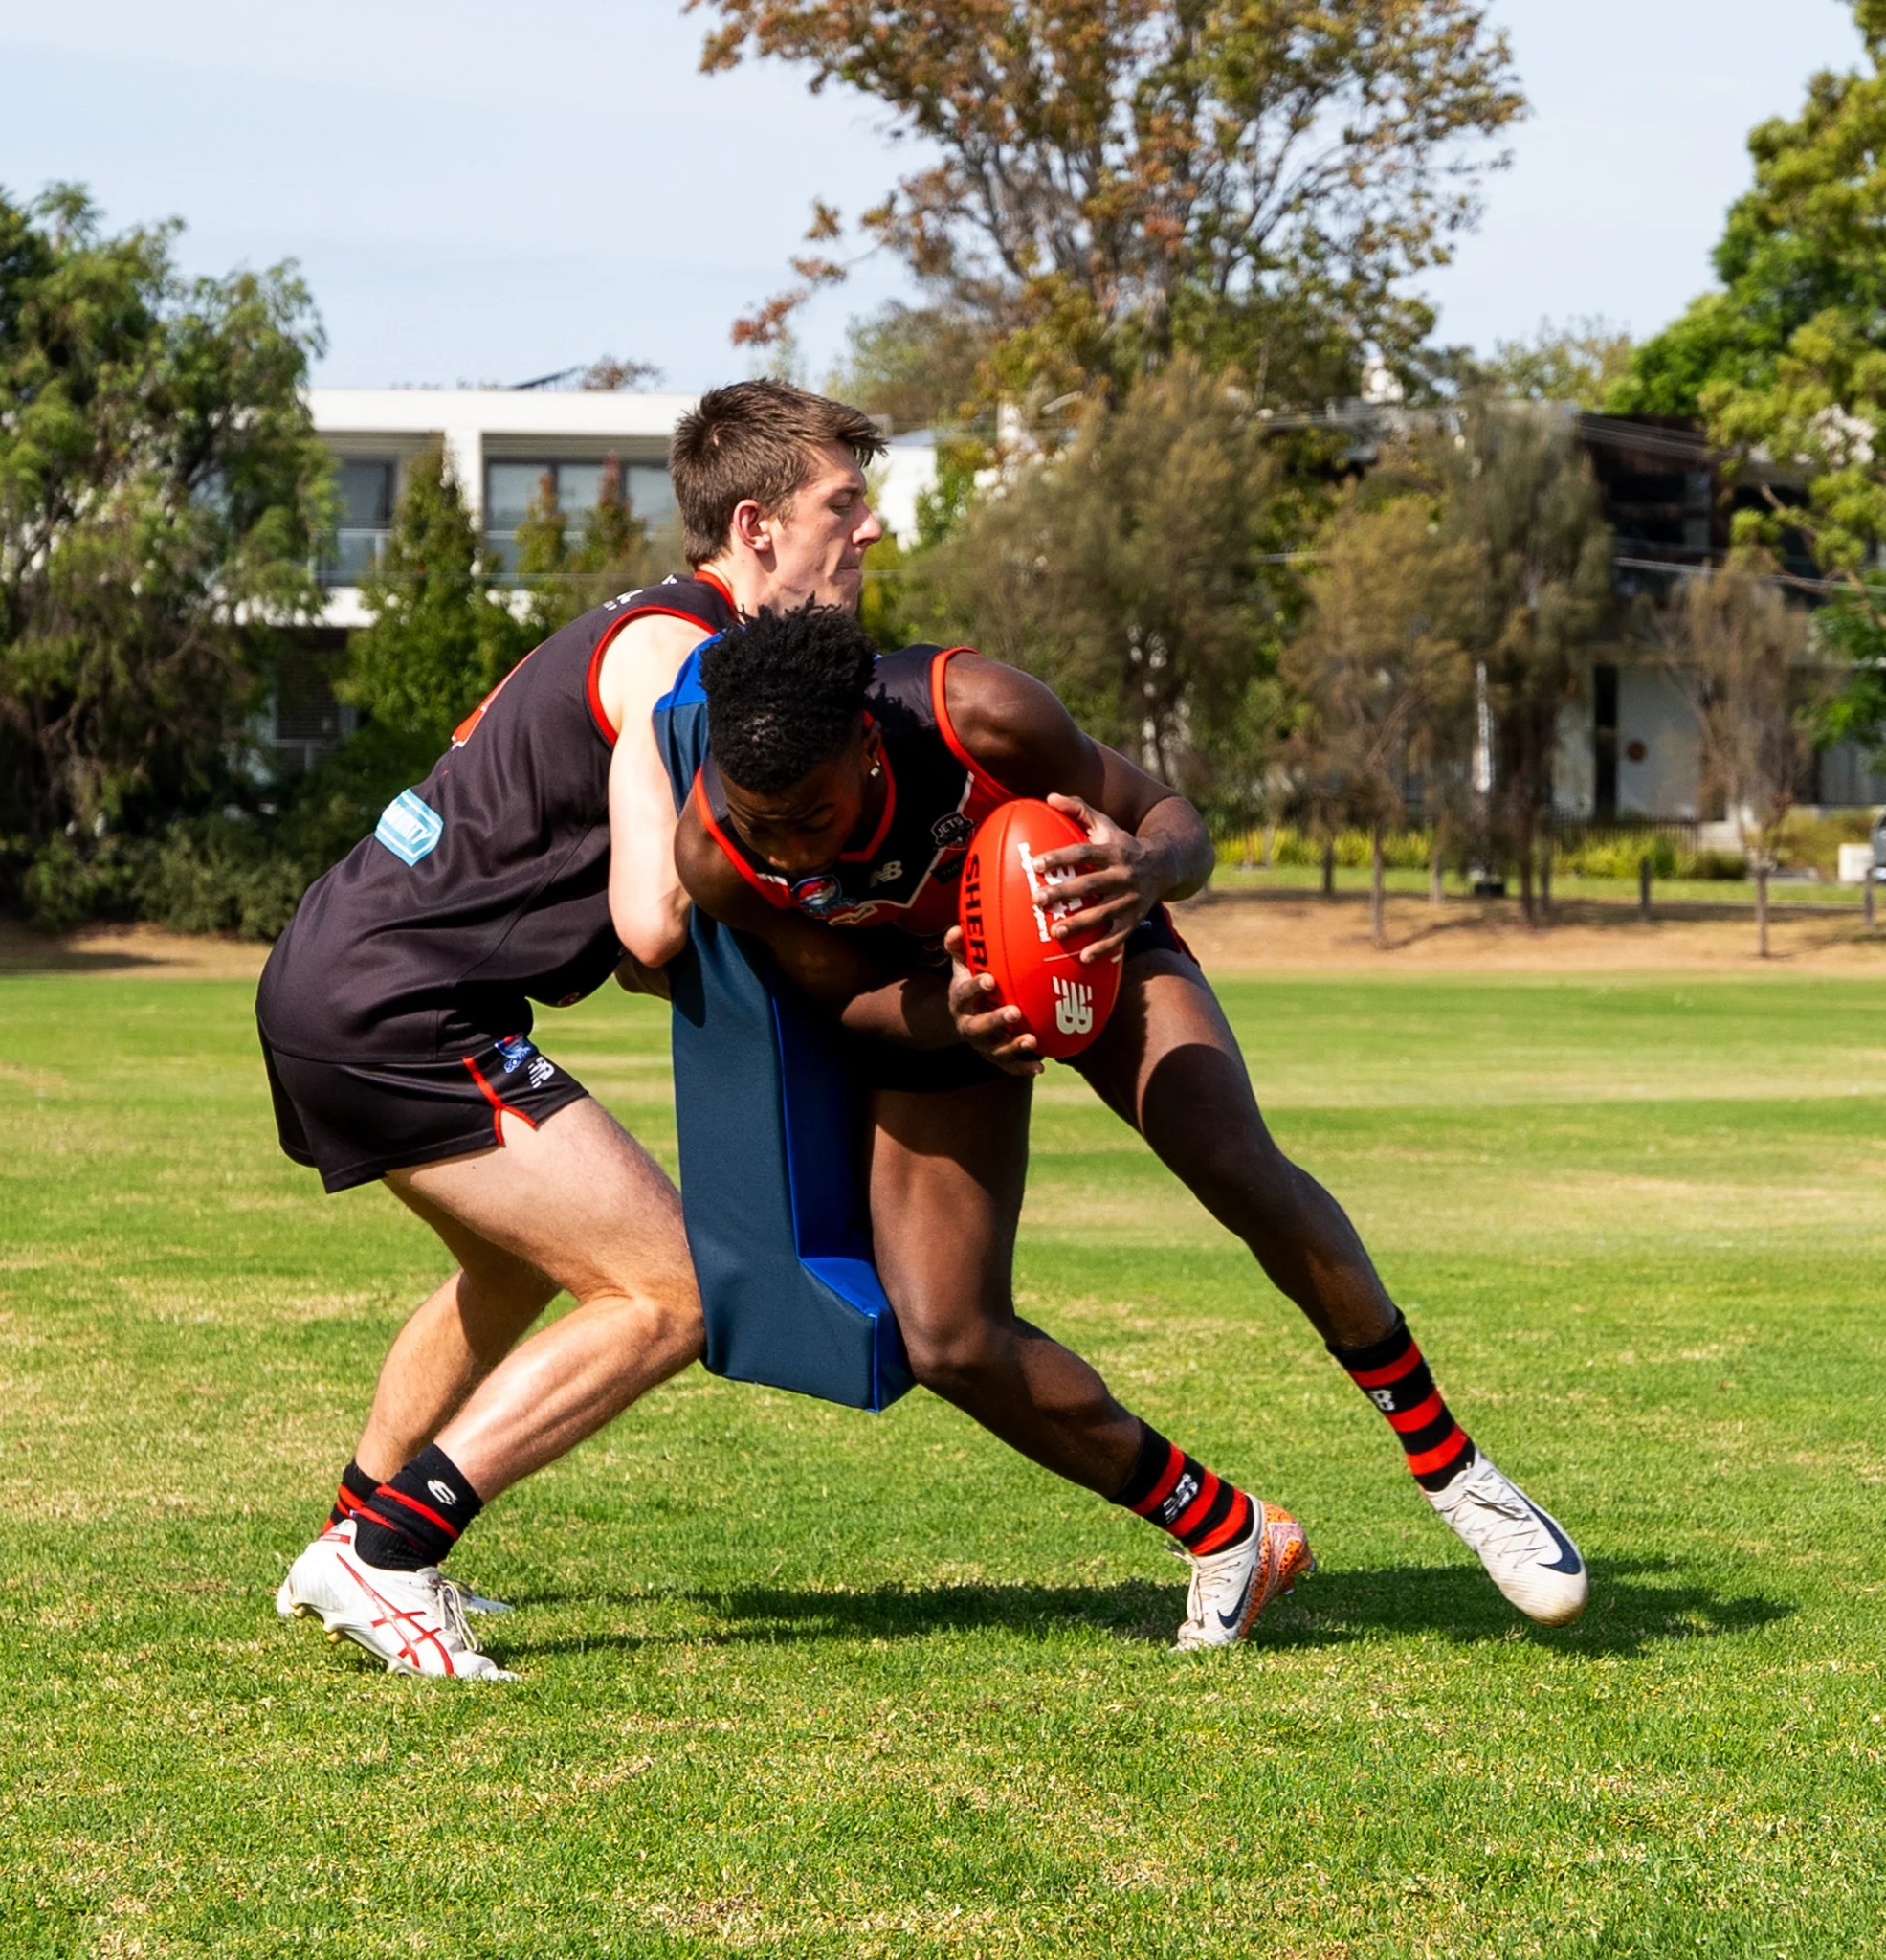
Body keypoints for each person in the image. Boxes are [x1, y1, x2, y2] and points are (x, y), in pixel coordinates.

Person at [673, 602, 1588, 1646]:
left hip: (1087, 927)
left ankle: (1454, 1470)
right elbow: (833, 996)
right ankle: (1227, 1535)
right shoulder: (715, 855)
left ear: (866, 745)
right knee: (947, 1337)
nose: (789, 842)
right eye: (763, 820)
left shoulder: (978, 713)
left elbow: (1172, 819)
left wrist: (1143, 870)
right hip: (936, 1008)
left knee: (1230, 1158)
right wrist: (952, 1016)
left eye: (814, 815)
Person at [262, 381, 885, 1678]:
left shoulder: (671, 637)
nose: (870, 530)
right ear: (759, 524)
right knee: (667, 1293)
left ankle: (346, 1539)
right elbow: (652, 926)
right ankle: (389, 1559)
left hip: (363, 974)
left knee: (511, 1272)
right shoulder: (679, 659)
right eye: (846, 501)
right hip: (397, 1000)